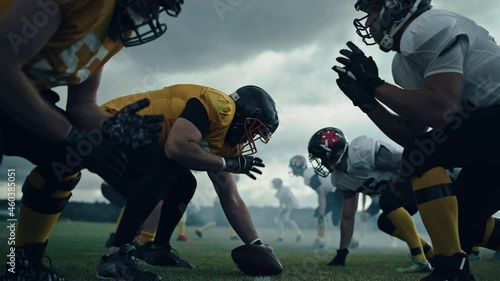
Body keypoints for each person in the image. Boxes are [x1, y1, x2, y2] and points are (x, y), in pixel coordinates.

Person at [0, 1, 185, 280]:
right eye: (154, 1)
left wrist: (112, 128)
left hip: (15, 94)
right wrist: (73, 136)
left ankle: (25, 266)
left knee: (67, 158)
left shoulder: (115, 26)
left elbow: (82, 104)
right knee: (70, 146)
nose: (154, 12)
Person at [332, 1, 500, 279]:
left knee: (419, 156)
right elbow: (413, 133)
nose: (369, 20)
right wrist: (368, 102)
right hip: (486, 129)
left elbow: (440, 110)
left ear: (396, 5)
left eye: (373, 10)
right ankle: (453, 264)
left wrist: (376, 85)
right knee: (464, 224)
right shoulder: (404, 60)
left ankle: (449, 269)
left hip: (491, 119)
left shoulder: (427, 26)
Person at [95, 84, 280, 280]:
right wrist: (227, 163)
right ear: (243, 115)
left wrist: (256, 243)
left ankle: (157, 249)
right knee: (166, 170)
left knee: (185, 183)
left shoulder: (226, 142)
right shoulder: (219, 106)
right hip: (109, 123)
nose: (251, 137)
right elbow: (176, 148)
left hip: (140, 137)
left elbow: (230, 197)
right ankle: (115, 257)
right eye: (253, 129)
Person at [307, 127, 434, 273]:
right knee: (385, 224)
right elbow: (348, 216)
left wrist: (398, 189)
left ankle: (419, 259)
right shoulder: (339, 179)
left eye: (322, 156)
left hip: (418, 180)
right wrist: (342, 253)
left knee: (387, 201)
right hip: (399, 196)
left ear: (334, 152)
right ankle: (431, 254)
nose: (321, 162)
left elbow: (406, 163)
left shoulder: (361, 152)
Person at [289, 155, 356, 249]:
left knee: (320, 214)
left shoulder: (308, 174)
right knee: (336, 219)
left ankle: (321, 240)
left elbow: (321, 193)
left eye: (293, 167)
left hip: (337, 189)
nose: (292, 169)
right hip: (339, 188)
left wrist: (321, 212)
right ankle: (353, 241)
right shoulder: (311, 171)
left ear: (297, 166)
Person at [195, 174, 240, 240]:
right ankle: (232, 235)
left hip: (219, 203)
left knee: (220, 220)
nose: (236, 180)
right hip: (219, 203)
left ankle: (200, 230)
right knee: (230, 218)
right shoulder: (229, 184)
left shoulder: (228, 183)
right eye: (236, 178)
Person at [271, 178, 303, 242]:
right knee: (280, 219)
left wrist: (287, 210)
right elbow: (281, 205)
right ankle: (281, 236)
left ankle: (299, 234)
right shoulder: (278, 193)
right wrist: (278, 214)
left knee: (289, 219)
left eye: (275, 183)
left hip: (294, 206)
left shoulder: (286, 189)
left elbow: (290, 200)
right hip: (288, 206)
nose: (274, 185)